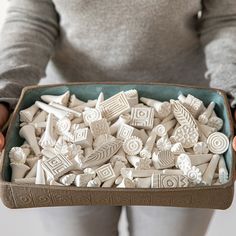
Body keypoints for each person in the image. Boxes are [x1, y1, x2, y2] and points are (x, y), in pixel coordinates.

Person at [0, 1, 236, 236]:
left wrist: (233, 96)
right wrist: (3, 96)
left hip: (184, 109)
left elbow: (224, 19)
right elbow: (31, 16)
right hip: (72, 110)